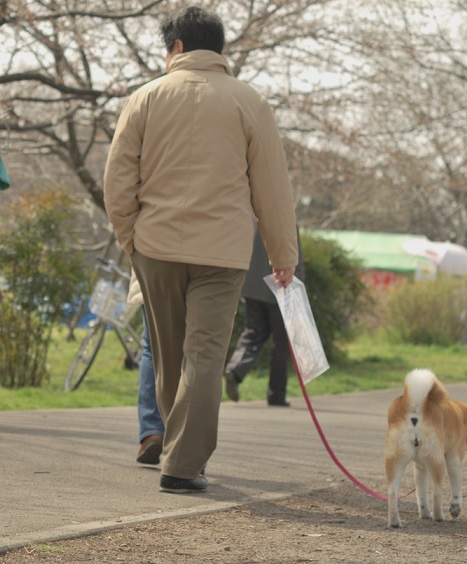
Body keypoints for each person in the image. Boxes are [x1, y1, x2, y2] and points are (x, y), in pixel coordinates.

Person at [104, 6, 299, 494]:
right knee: (205, 358)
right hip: (222, 253)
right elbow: (272, 188)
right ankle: (183, 463)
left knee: (168, 358)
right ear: (219, 48)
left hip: (155, 247)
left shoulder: (144, 97)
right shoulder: (250, 101)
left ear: (176, 46)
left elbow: (118, 179)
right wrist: (283, 255)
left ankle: (179, 455)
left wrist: (130, 239)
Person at [224, 226, 305, 406]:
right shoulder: (285, 219)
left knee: (253, 332)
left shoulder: (251, 219)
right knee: (281, 342)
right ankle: (276, 394)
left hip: (252, 285)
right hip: (280, 287)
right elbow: (294, 257)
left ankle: (235, 370)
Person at [127, 275, 164, 465]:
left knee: (152, 348)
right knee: (196, 350)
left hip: (155, 264)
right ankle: (188, 441)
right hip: (206, 266)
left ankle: (152, 431)